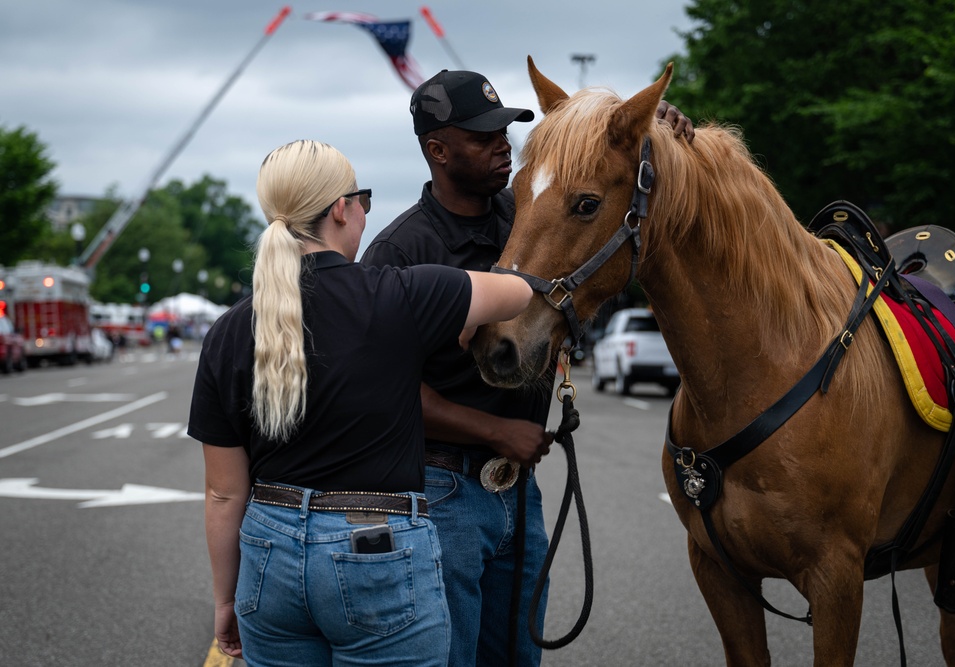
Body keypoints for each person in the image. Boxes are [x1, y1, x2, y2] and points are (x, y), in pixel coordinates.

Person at [361, 70, 695, 666]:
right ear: (438, 150)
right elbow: (381, 392)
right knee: (452, 658)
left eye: (507, 129)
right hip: (442, 490)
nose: (503, 143)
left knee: (518, 658)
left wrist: (657, 125)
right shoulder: (400, 252)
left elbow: (599, 210)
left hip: (518, 490)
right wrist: (494, 431)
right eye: (483, 135)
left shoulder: (521, 210)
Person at [187, 139, 533, 667]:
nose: (366, 212)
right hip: (376, 549)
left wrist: (225, 601)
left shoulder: (229, 331)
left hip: (269, 550)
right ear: (341, 209)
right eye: (363, 200)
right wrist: (460, 316)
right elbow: (520, 293)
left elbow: (222, 494)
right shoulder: (403, 295)